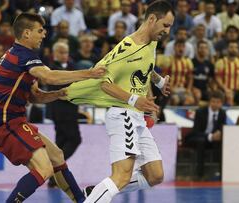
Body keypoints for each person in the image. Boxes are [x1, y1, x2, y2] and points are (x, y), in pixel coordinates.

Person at [0, 13, 106, 203]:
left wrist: (59, 94)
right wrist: (89, 74)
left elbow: (35, 96)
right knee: (44, 169)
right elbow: (49, 77)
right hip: (4, 123)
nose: (44, 34)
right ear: (26, 33)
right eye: (40, 31)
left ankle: (81, 201)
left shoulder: (19, 56)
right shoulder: (22, 56)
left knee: (56, 155)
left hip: (14, 121)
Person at [66, 1, 173, 202]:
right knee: (121, 175)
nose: (167, 31)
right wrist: (135, 100)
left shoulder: (152, 41)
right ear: (152, 19)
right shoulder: (127, 47)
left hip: (137, 117)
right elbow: (103, 83)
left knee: (155, 175)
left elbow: (145, 67)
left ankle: (96, 193)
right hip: (123, 113)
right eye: (165, 25)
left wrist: (158, 81)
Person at [47, 42, 82, 187]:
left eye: (66, 52)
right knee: (74, 140)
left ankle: (53, 178)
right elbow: (61, 89)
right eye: (61, 52)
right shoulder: (51, 69)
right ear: (55, 54)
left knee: (60, 143)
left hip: (70, 109)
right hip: (61, 111)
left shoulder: (72, 68)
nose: (64, 55)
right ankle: (53, 169)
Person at [185, 91, 226, 180]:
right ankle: (199, 175)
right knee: (201, 142)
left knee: (223, 144)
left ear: (221, 103)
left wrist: (219, 134)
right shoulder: (200, 112)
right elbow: (196, 131)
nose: (215, 104)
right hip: (197, 138)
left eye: (218, 102)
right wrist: (210, 136)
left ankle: (222, 173)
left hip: (213, 140)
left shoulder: (223, 113)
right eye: (213, 101)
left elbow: (222, 128)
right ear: (209, 102)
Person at [215, 41, 239, 106]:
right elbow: (218, 79)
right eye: (231, 47)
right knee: (230, 96)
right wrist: (226, 89)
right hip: (223, 90)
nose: (234, 49)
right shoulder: (220, 62)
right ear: (227, 49)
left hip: (238, 90)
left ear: (238, 50)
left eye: (236, 47)